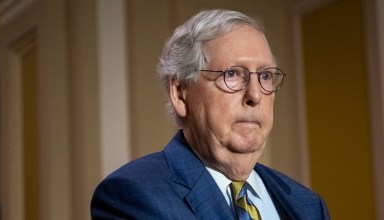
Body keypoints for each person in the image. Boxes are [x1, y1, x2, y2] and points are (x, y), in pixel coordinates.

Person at [91, 9, 330, 219]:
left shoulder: (309, 205)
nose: (255, 95)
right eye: (232, 74)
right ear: (180, 92)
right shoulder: (132, 194)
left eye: (265, 75)